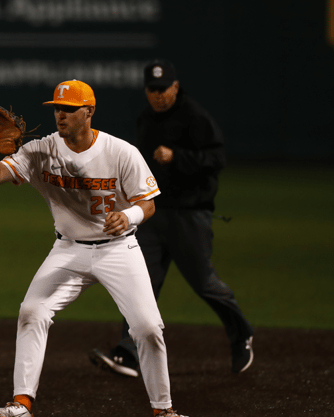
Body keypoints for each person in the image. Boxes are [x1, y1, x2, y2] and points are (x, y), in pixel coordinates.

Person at [0, 80, 187, 417]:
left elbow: (147, 205)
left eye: (69, 109)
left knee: (148, 327)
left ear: (89, 111)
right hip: (68, 250)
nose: (60, 115)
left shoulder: (120, 152)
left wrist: (128, 215)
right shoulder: (41, 150)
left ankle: (163, 410)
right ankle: (21, 404)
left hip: (119, 250)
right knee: (32, 312)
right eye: (57, 109)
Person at [88, 60, 254, 378]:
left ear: (175, 87)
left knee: (204, 283)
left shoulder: (195, 117)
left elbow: (217, 158)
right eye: (153, 89)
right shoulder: (146, 120)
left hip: (190, 216)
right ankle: (130, 352)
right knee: (139, 283)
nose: (158, 95)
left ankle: (241, 334)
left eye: (164, 89)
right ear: (146, 90)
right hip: (153, 215)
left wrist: (178, 157)